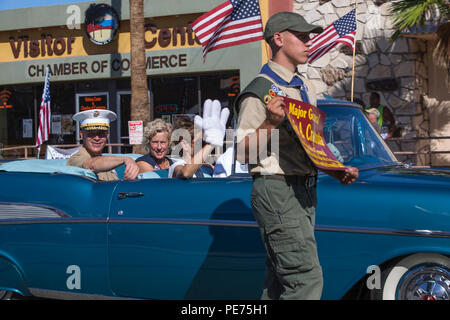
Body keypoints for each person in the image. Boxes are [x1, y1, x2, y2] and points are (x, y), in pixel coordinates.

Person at [235, 11, 359, 300]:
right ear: (278, 39)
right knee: (305, 278)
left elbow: (311, 145)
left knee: (281, 279)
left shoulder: (304, 88)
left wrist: (335, 169)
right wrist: (270, 124)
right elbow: (241, 152)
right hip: (276, 188)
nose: (308, 42)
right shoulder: (259, 91)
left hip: (303, 188)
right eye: (301, 37)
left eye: (308, 37)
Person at [68, 109, 139, 181]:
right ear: (82, 135)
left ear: (107, 136)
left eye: (101, 134)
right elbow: (92, 165)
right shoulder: (77, 158)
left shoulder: (106, 161)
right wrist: (126, 159)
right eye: (91, 134)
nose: (96, 138)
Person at [169, 99, 229, 179]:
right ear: (184, 144)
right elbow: (185, 173)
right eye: (199, 142)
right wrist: (212, 143)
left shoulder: (205, 168)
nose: (202, 145)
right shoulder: (176, 165)